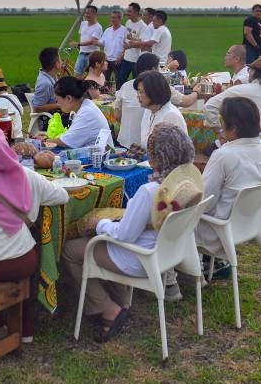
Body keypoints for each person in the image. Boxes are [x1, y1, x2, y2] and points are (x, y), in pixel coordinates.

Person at [63, 123, 201, 340]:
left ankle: (108, 309)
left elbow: (124, 236)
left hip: (140, 258)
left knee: (71, 250)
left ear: (155, 159)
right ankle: (122, 300)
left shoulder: (149, 192)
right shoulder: (186, 186)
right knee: (104, 236)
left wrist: (99, 224)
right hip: (168, 254)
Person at [0, 125, 69, 343]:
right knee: (30, 259)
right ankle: (26, 331)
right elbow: (63, 196)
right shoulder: (27, 176)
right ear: (4, 147)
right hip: (18, 264)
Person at [198, 97, 261, 279]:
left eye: (222, 121)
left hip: (220, 229)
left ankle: (176, 275)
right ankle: (214, 263)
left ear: (232, 127)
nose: (220, 126)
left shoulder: (223, 155)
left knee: (176, 217)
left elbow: (204, 200)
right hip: (254, 221)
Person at [204, 56, 261, 145]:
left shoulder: (239, 90)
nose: (248, 73)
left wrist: (220, 131)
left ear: (254, 72)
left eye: (249, 70)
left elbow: (209, 106)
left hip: (238, 147)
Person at [43, 76, 110, 149]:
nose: (57, 103)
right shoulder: (83, 106)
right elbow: (70, 135)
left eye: (57, 100)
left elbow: (66, 142)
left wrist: (45, 140)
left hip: (100, 154)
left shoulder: (86, 113)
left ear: (69, 98)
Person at [113, 53, 160, 148]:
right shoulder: (157, 88)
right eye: (158, 68)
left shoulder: (125, 86)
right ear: (154, 69)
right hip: (145, 145)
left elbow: (117, 116)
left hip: (124, 141)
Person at [136, 71, 188, 147]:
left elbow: (178, 150)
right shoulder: (148, 110)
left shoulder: (171, 115)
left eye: (142, 92)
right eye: (138, 91)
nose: (138, 96)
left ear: (154, 92)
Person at [116, 2, 146, 85]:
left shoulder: (143, 26)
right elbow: (126, 40)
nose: (127, 13)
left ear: (136, 12)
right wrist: (122, 54)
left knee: (136, 83)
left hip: (136, 60)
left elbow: (142, 43)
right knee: (120, 81)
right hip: (126, 58)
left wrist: (130, 44)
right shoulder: (128, 22)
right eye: (127, 11)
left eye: (129, 11)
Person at [72, 5, 103, 75]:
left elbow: (92, 41)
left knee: (92, 75)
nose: (86, 15)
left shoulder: (98, 27)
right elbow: (81, 36)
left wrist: (78, 44)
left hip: (92, 56)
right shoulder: (83, 23)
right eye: (86, 13)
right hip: (81, 54)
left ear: (94, 14)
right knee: (77, 74)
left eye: (88, 13)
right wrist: (79, 46)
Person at [32, 47, 63, 114]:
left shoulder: (53, 76)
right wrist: (59, 105)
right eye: (60, 60)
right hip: (50, 118)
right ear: (57, 64)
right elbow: (37, 108)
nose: (62, 62)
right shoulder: (45, 83)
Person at [100, 9, 126, 85]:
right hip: (106, 60)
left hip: (118, 61)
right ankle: (105, 92)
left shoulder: (124, 30)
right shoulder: (107, 30)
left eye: (114, 18)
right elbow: (102, 43)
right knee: (104, 81)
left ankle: (118, 92)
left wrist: (121, 57)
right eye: (111, 17)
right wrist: (93, 41)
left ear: (120, 19)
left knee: (119, 81)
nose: (112, 19)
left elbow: (127, 46)